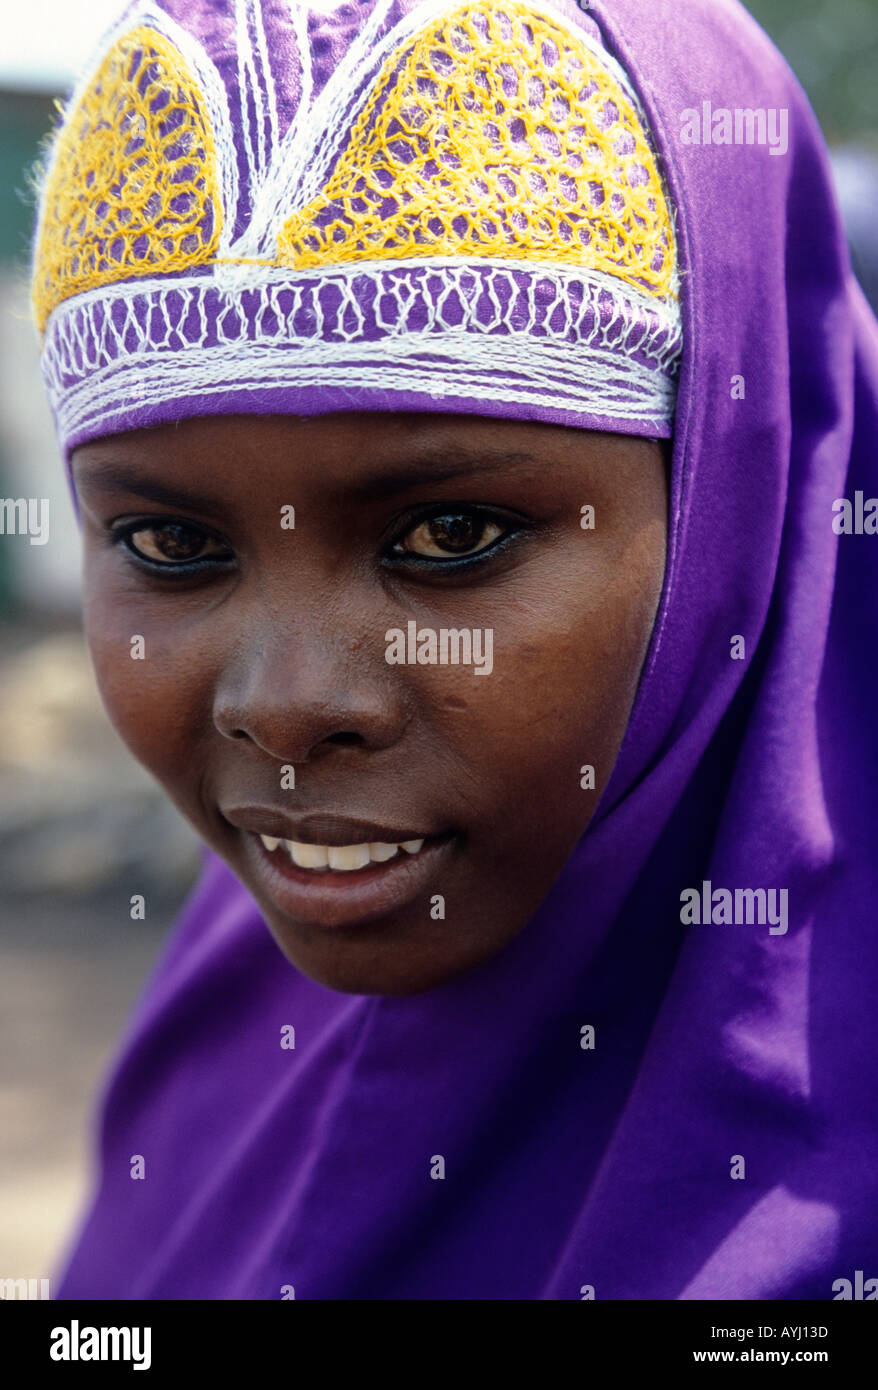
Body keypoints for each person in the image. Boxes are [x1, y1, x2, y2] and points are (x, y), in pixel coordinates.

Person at [29, 0, 878, 1300]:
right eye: (168, 547)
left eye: (451, 532)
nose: (288, 705)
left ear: (734, 506)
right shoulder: (224, 1026)